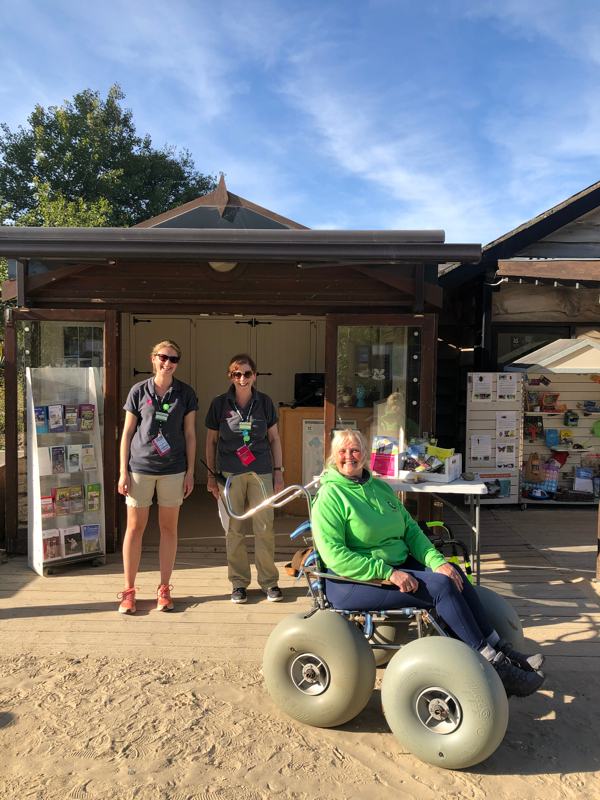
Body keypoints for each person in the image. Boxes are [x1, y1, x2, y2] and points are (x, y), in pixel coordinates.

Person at [311, 429, 546, 697]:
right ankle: (492, 664)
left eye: (355, 450)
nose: (349, 456)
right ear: (333, 456)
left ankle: (501, 649)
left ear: (365, 454)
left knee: (451, 572)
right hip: (352, 581)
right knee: (440, 588)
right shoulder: (330, 496)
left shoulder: (379, 487)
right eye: (342, 451)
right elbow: (335, 555)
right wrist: (388, 573)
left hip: (395, 565)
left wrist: (437, 561)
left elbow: (411, 531)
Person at [117, 339, 197, 614]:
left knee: (168, 529)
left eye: (173, 359)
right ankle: (129, 591)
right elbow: (127, 433)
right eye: (163, 357)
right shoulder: (139, 391)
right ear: (153, 359)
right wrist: (122, 471)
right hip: (140, 468)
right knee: (134, 528)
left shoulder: (185, 393)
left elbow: (190, 434)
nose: (167, 363)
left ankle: (164, 588)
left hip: (173, 469)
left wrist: (190, 472)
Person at [205, 353, 284, 604]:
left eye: (247, 373)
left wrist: (278, 472)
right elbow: (211, 441)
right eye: (236, 374)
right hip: (230, 474)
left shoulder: (264, 402)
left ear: (255, 375)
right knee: (234, 530)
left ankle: (269, 582)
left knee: (265, 528)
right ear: (230, 376)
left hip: (261, 472)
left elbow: (274, 439)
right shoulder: (219, 404)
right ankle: (239, 583)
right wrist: (211, 476)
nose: (242, 378)